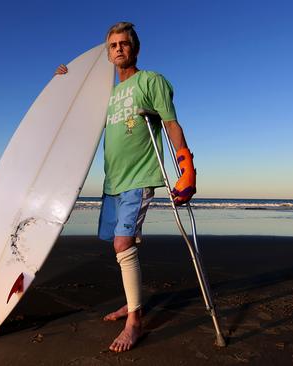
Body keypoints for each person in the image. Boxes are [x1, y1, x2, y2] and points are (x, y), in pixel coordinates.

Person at [55, 22, 196, 352]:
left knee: (122, 244)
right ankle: (133, 303)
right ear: (107, 53)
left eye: (124, 43)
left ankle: (135, 321)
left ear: (135, 48)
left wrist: (186, 168)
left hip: (140, 176)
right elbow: (71, 116)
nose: (119, 48)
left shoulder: (151, 81)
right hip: (113, 182)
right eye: (113, 45)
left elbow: (171, 123)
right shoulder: (103, 96)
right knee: (122, 243)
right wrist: (63, 81)